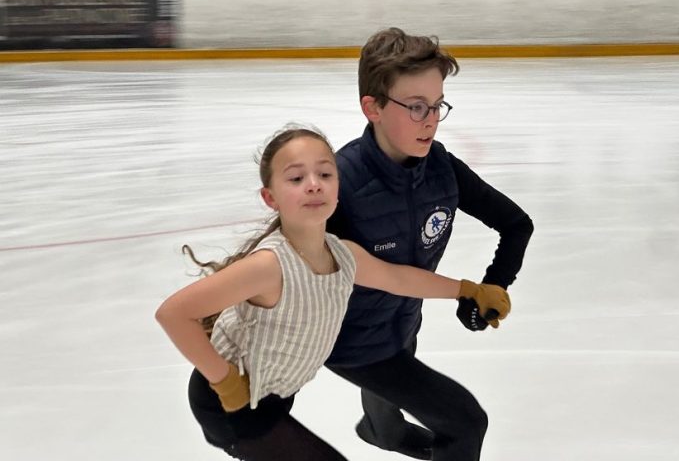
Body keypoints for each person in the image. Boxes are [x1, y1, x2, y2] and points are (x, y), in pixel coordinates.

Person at [155, 125, 511, 461]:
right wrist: (225, 382)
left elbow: (399, 279)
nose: (313, 185)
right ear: (270, 197)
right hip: (228, 405)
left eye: (325, 174)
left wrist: (468, 290)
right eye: (296, 178)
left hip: (272, 397)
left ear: (339, 187)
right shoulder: (269, 266)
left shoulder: (342, 253)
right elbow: (174, 313)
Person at [324, 27, 534, 460]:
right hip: (351, 343)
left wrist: (492, 288)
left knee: (385, 432)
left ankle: (378, 431)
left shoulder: (441, 169)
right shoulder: (339, 182)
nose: (431, 120)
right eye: (416, 107)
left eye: (438, 106)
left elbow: (515, 224)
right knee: (463, 422)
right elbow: (286, 263)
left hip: (401, 329)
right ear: (373, 107)